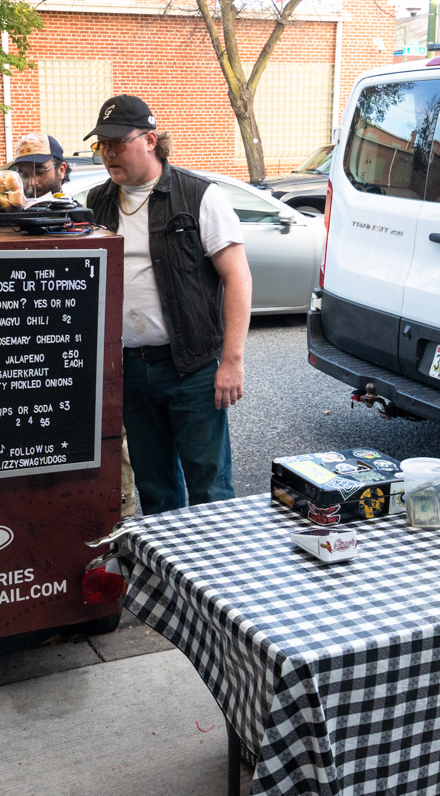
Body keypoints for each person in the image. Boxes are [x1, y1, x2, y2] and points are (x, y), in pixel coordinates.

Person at [84, 94, 252, 515]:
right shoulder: (96, 203)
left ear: (150, 140)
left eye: (117, 143)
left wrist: (231, 362)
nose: (107, 154)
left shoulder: (199, 196)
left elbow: (238, 277)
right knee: (155, 488)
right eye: (101, 145)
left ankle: (216, 575)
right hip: (129, 369)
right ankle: (171, 578)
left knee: (209, 487)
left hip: (190, 367)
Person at [10, 133, 70, 200]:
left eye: (39, 172)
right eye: (24, 174)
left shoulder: (78, 210)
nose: (31, 183)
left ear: (61, 170)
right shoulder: (14, 209)